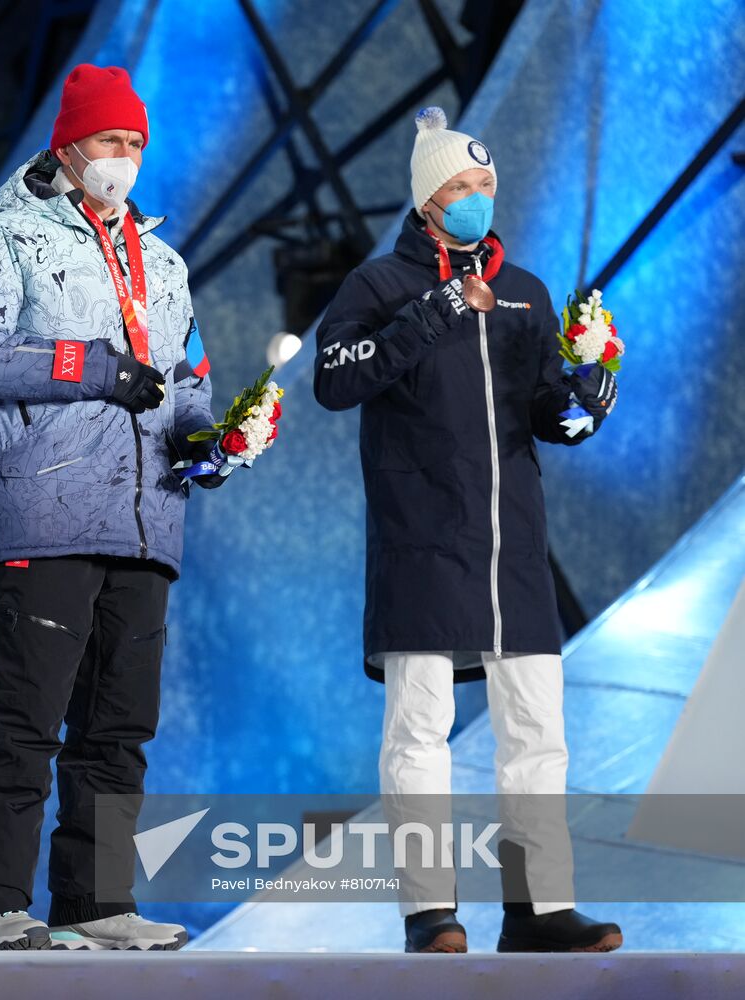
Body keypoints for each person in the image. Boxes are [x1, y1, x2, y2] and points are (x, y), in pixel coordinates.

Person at [313, 106, 623, 954]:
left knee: (536, 732)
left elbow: (543, 415)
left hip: (510, 546)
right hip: (422, 539)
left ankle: (537, 909)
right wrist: (443, 305)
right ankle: (429, 913)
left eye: (485, 184)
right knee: (418, 730)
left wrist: (584, 398)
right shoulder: (378, 286)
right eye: (460, 185)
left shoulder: (524, 288)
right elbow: (334, 382)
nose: (477, 197)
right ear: (425, 201)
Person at [0, 64, 221, 952]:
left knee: (119, 726)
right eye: (109, 142)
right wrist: (92, 367)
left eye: (135, 144)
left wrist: (207, 437)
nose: (123, 160)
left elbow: (185, 377)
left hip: (146, 519)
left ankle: (95, 904)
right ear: (68, 144)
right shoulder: (7, 241)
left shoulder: (163, 261)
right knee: (25, 718)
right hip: (46, 508)